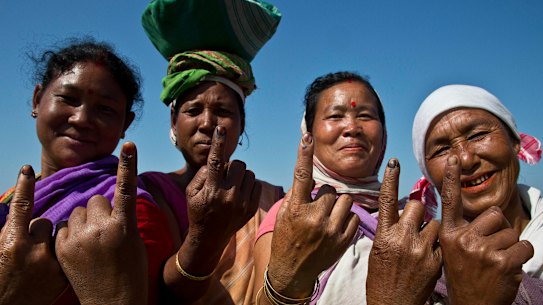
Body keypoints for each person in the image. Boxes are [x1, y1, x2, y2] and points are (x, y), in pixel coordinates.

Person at [0, 40, 173, 305]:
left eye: (105, 109)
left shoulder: (130, 214)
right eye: (68, 99)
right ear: (37, 100)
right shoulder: (11, 200)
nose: (81, 119)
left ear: (125, 123)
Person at [252, 71, 441, 305]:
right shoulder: (291, 218)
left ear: (384, 134)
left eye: (365, 115)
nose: (352, 127)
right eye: (335, 116)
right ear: (308, 134)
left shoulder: (409, 222)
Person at [140, 1, 283, 303]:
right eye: (193, 110)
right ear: (173, 122)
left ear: (242, 122)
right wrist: (208, 234)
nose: (207, 123)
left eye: (222, 110)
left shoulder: (269, 200)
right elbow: (159, 290)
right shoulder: (152, 191)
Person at [407, 84, 543, 304]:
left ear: (515, 143)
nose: (466, 160)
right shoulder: (423, 271)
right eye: (441, 150)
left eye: (478, 135)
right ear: (429, 178)